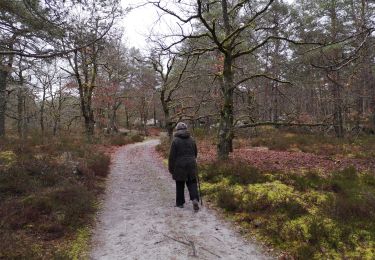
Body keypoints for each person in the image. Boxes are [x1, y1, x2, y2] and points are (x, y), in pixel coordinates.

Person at [168, 122, 200, 211]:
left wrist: (171, 169)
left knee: (180, 183)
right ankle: (194, 199)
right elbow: (195, 153)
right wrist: (192, 160)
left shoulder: (175, 140)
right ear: (186, 129)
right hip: (191, 164)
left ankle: (180, 203)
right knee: (192, 183)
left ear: (177, 130)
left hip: (179, 165)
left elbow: (172, 157)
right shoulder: (192, 139)